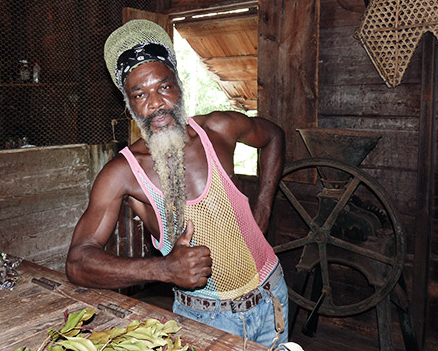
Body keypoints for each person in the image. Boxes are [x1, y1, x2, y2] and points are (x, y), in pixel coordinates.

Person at [66, 19, 288, 347]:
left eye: (163, 87)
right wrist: (163, 269)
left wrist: (264, 206)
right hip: (205, 318)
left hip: (272, 300)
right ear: (128, 103)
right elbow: (77, 262)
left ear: (179, 85)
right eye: (139, 94)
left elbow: (274, 137)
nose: (155, 103)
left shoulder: (219, 130)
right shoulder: (124, 173)